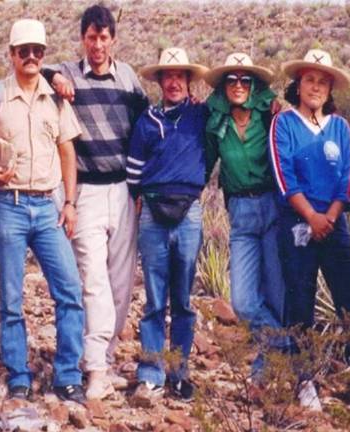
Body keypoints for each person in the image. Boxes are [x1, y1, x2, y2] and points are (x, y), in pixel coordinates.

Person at [0, 19, 86, 403]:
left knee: (69, 290)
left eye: (38, 51)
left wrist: (69, 203)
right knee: (11, 296)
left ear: (44, 55)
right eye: (24, 51)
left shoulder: (55, 98)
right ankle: (18, 374)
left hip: (49, 205)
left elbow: (67, 149)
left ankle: (67, 375)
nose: (31, 57)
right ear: (12, 54)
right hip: (10, 207)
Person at [40, 4, 149, 400]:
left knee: (121, 283)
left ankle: (105, 352)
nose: (98, 45)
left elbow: (148, 126)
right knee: (94, 280)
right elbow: (37, 70)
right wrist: (54, 75)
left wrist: (144, 189)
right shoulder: (67, 74)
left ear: (113, 40)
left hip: (123, 190)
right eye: (91, 37)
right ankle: (96, 370)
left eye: (104, 38)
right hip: (84, 190)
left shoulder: (128, 78)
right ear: (83, 39)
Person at [268, 49, 350, 412]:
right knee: (300, 303)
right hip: (297, 225)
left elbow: (348, 180)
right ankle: (305, 380)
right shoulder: (284, 124)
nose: (315, 86)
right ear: (297, 84)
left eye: (322, 81)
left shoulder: (340, 127)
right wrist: (311, 217)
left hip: (335, 225)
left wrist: (329, 217)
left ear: (330, 88)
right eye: (309, 79)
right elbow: (283, 174)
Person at [126, 48, 209, 402]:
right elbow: (133, 170)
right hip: (153, 213)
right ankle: (151, 373)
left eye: (180, 75)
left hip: (189, 211)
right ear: (159, 81)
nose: (174, 82)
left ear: (188, 80)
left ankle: (180, 372)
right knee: (155, 299)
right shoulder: (147, 120)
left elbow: (240, 104)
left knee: (184, 300)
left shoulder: (202, 115)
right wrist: (140, 199)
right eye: (167, 76)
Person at [202, 53, 285, 376]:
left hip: (273, 209)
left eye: (245, 80)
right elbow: (205, 164)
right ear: (224, 86)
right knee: (244, 301)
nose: (238, 86)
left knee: (277, 295)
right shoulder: (216, 122)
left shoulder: (271, 117)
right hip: (240, 213)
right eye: (232, 80)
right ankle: (291, 348)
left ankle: (266, 373)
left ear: (254, 86)